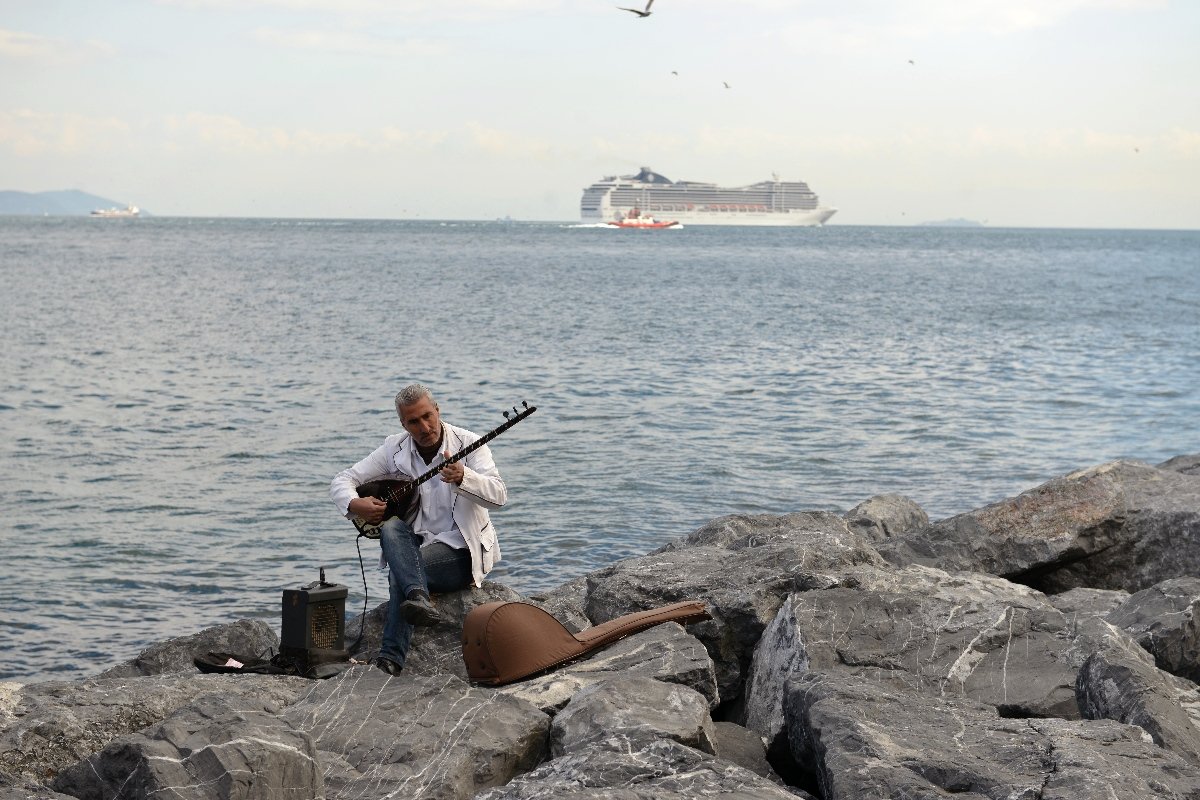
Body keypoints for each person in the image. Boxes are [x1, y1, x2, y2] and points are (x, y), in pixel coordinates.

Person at [330, 383, 506, 675]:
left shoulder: (470, 443)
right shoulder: (394, 448)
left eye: (428, 416)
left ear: (437, 410)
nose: (424, 427)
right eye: (414, 421)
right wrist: (355, 504)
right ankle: (419, 597)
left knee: (402, 572)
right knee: (390, 529)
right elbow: (343, 479)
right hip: (416, 547)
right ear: (403, 423)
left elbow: (499, 496)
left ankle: (391, 657)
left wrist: (465, 478)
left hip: (462, 551)